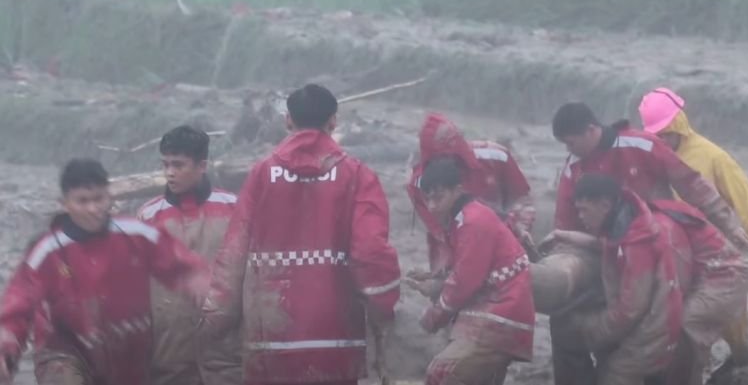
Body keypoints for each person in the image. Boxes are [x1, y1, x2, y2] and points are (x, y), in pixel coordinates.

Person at [199, 84, 401, 385]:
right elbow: (370, 251)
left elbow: (234, 251)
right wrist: (383, 306)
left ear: (288, 121)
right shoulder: (356, 175)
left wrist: (217, 317)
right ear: (333, 121)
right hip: (334, 337)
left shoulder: (261, 174)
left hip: (270, 335)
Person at [0, 158, 208, 385]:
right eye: (82, 201)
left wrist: (205, 289)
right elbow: (17, 305)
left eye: (98, 199)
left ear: (109, 197)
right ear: (64, 203)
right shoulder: (46, 252)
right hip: (65, 353)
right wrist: (5, 347)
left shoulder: (137, 235)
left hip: (129, 352)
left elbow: (184, 267)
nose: (92, 209)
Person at [639, 87, 748, 369]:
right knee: (676, 314)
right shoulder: (648, 157)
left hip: (715, 247)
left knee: (731, 311)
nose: (663, 141)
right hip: (671, 249)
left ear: (679, 124)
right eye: (657, 136)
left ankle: (742, 353)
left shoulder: (712, 156)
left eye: (666, 134)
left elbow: (746, 195)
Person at [548, 174, 692, 385]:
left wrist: (588, 327)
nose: (580, 217)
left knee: (613, 373)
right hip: (659, 317)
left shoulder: (636, 241)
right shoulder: (628, 222)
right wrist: (568, 236)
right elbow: (609, 245)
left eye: (584, 210)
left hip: (656, 329)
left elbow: (629, 310)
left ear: (605, 205)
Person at [550, 102, 748, 249]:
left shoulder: (644, 145)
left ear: (591, 131)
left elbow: (691, 184)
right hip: (603, 248)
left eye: (571, 143)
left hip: (658, 239)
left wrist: (729, 225)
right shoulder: (573, 168)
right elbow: (565, 219)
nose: (569, 150)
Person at [414, 156, 535, 385]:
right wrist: (435, 278)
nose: (431, 206)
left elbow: (463, 283)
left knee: (442, 373)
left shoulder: (472, 221)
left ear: (457, 190)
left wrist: (434, 316)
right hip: (496, 308)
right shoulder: (463, 218)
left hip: (500, 312)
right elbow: (463, 267)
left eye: (438, 198)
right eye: (427, 199)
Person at [138, 125, 241, 385]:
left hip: (227, 353)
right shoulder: (148, 217)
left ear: (202, 165)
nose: (169, 173)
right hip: (169, 353)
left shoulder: (233, 208)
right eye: (165, 164)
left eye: (179, 165)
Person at [407, 113, 536, 287]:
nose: (445, 168)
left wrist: (521, 227)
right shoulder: (419, 183)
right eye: (437, 161)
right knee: (449, 294)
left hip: (506, 237)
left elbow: (522, 198)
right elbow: (439, 232)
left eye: (449, 159)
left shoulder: (496, 156)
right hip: (455, 243)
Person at [646, 199, 748, 385]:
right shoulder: (656, 216)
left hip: (724, 272)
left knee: (683, 332)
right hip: (709, 270)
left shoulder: (660, 227)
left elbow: (673, 287)